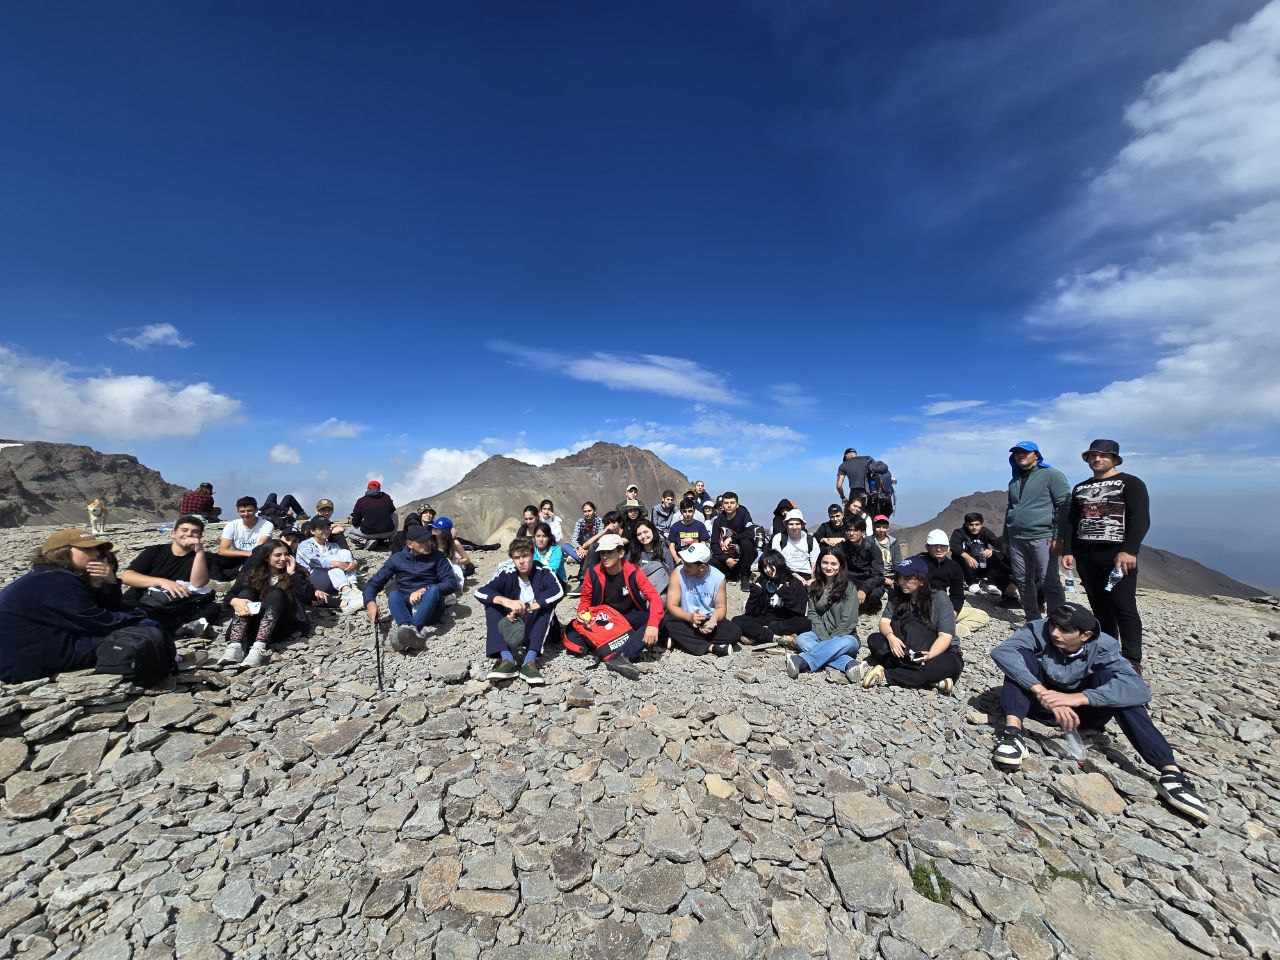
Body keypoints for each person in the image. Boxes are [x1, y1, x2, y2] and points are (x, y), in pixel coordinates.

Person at [989, 603, 1209, 823]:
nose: (1055, 632)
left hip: (1083, 713)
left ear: (1085, 635)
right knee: (1019, 663)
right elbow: (1002, 652)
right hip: (1039, 705)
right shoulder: (1038, 630)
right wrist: (1042, 692)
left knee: (1118, 687)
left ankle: (1170, 773)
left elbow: (1138, 689)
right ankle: (1013, 733)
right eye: (1053, 625)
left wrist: (1075, 698)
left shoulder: (1104, 645)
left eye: (1064, 630)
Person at [0, 530, 172, 684]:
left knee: (140, 629)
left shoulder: (48, 575)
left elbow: (106, 609)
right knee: (142, 634)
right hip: (25, 659)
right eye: (88, 550)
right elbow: (98, 621)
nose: (96, 554)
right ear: (63, 553)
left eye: (96, 550)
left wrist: (110, 582)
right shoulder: (55, 580)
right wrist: (141, 619)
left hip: (30, 648)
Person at [1058, 440, 1150, 673]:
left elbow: (1140, 518)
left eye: (1102, 456)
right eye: (1092, 456)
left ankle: (1132, 659)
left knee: (1123, 605)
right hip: (1087, 555)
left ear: (1114, 459)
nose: (1096, 459)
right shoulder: (1080, 488)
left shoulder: (1131, 483)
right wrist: (1068, 550)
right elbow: (1070, 522)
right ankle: (1108, 648)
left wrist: (1130, 550)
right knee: (1099, 605)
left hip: (1116, 555)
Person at [567, 532, 663, 680]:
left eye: (609, 552)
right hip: (603, 617)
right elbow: (585, 599)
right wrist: (582, 613)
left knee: (656, 619)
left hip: (627, 616)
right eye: (602, 553)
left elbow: (654, 597)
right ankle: (623, 648)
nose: (604, 556)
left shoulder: (633, 571)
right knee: (573, 631)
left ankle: (622, 655)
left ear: (620, 552)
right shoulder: (593, 573)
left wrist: (653, 625)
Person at [863, 557, 963, 694]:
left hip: (938, 652)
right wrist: (891, 638)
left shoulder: (939, 598)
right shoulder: (897, 595)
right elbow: (884, 622)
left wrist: (930, 655)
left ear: (921, 580)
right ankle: (935, 682)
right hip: (907, 650)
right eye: (900, 578)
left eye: (908, 578)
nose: (902, 582)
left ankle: (887, 675)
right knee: (875, 639)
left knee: (937, 667)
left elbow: (945, 636)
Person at [474, 537, 563, 685]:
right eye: (516, 558)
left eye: (525, 556)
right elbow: (481, 592)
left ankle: (530, 662)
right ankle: (507, 660)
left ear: (532, 554)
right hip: (514, 624)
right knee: (492, 605)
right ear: (512, 559)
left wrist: (534, 605)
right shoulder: (507, 572)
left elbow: (558, 592)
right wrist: (506, 602)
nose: (521, 561)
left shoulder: (543, 571)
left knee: (545, 607)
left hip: (539, 625)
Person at [217, 540, 316, 668]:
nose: (283, 558)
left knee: (276, 593)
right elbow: (229, 596)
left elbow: (307, 597)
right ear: (266, 557)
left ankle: (258, 649)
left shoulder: (296, 573)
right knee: (247, 592)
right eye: (278, 555)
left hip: (279, 625)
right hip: (250, 623)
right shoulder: (252, 573)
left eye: (286, 554)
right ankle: (235, 646)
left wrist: (292, 574)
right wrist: (235, 601)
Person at [362, 525, 461, 652]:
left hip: (432, 606)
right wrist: (370, 602)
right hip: (407, 605)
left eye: (428, 540)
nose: (427, 544)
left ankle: (410, 632)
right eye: (422, 542)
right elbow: (373, 584)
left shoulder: (438, 557)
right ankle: (408, 631)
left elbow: (451, 583)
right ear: (409, 544)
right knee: (393, 595)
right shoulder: (397, 559)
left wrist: (425, 589)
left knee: (434, 590)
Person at [120, 515, 218, 634]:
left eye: (195, 532)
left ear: (200, 536)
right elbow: (127, 576)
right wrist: (163, 582)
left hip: (176, 602)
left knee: (212, 608)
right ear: (173, 534)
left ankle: (165, 627)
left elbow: (198, 583)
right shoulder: (155, 551)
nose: (189, 534)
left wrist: (199, 552)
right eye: (184, 530)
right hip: (145, 597)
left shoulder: (203, 557)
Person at [1005, 441, 1069, 621]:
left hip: (1043, 537)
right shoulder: (1014, 481)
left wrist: (1059, 537)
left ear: (1036, 455)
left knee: (1049, 580)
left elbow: (1064, 506)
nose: (1020, 455)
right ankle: (1033, 619)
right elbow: (1011, 508)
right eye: (1017, 452)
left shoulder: (1052, 475)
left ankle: (1058, 622)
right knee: (1022, 580)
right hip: (1016, 538)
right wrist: (1005, 536)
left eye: (1025, 452)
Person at [784, 551, 860, 682]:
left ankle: (802, 661)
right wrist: (825, 639)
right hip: (820, 633)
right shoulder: (814, 586)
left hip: (845, 636)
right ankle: (849, 664)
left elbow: (848, 621)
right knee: (802, 639)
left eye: (833, 563)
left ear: (840, 565)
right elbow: (813, 614)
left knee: (846, 642)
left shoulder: (849, 587)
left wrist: (831, 640)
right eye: (825, 562)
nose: (829, 567)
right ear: (819, 564)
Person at [663, 542, 741, 655]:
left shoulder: (718, 577)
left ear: (702, 567)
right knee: (666, 622)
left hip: (707, 619)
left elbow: (721, 607)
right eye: (684, 562)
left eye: (688, 565)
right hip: (684, 617)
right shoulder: (678, 572)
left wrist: (713, 619)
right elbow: (672, 605)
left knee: (734, 632)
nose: (684, 566)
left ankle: (681, 640)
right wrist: (690, 617)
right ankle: (711, 648)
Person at [732, 549, 811, 650]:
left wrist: (783, 591)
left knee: (805, 623)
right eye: (764, 567)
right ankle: (776, 638)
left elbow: (799, 610)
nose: (768, 570)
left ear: (778, 563)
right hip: (766, 618)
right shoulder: (763, 580)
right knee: (737, 620)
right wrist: (755, 593)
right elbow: (751, 612)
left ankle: (757, 635)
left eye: (770, 566)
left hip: (785, 620)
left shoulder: (792, 581)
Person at [921, 529, 990, 638]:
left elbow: (957, 595)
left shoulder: (953, 567)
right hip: (922, 608)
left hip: (943, 608)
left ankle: (950, 629)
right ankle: (943, 630)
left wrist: (953, 612)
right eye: (934, 546)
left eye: (942, 546)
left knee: (982, 616)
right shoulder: (918, 563)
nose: (939, 549)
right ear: (927, 547)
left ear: (948, 548)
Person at [295, 519, 363, 613]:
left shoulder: (333, 545)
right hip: (313, 579)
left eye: (327, 528)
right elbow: (315, 561)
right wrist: (337, 564)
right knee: (333, 563)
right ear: (312, 531)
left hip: (333, 579)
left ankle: (352, 587)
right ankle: (347, 591)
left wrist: (353, 563)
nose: (326, 530)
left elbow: (344, 560)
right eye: (321, 528)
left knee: (345, 552)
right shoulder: (305, 545)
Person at [950, 512, 1015, 602]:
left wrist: (992, 551)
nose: (974, 527)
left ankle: (990, 582)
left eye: (977, 524)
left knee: (996, 556)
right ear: (966, 524)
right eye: (971, 525)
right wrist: (967, 556)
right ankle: (971, 582)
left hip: (981, 562)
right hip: (966, 565)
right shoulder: (959, 532)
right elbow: (954, 546)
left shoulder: (984, 531)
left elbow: (997, 543)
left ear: (981, 524)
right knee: (960, 556)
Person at [209, 497, 274, 579]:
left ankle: (237, 573)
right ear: (237, 511)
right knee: (211, 557)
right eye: (242, 511)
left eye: (249, 511)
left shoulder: (266, 525)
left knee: (258, 559)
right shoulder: (232, 525)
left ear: (256, 510)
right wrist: (246, 553)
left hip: (257, 556)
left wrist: (251, 555)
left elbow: (259, 546)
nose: (246, 514)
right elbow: (222, 550)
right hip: (240, 556)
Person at [711, 491, 757, 589]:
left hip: (743, 555)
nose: (729, 505)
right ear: (722, 505)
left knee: (747, 542)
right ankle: (733, 573)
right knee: (711, 563)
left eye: (732, 503)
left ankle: (745, 575)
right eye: (726, 503)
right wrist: (726, 559)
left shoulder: (743, 514)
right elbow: (714, 544)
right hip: (727, 556)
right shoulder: (718, 521)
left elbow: (751, 533)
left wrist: (732, 538)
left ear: (737, 505)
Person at [839, 523, 885, 611]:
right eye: (849, 530)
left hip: (868, 581)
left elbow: (878, 574)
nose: (851, 533)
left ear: (863, 532)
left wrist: (864, 589)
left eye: (855, 530)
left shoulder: (872, 548)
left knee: (874, 596)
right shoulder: (842, 547)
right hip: (850, 582)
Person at [770, 508, 820, 581]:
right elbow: (777, 561)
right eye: (791, 524)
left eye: (797, 524)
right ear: (786, 525)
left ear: (802, 525)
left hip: (805, 573)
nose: (794, 527)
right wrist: (793, 574)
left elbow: (814, 564)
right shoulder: (779, 538)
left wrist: (812, 580)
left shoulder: (811, 540)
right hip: (786, 572)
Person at [629, 518, 674, 595]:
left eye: (645, 532)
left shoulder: (664, 551)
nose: (643, 536)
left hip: (662, 592)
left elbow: (672, 575)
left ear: (652, 531)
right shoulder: (633, 553)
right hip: (641, 593)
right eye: (639, 534)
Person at [349, 480, 397, 548]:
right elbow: (392, 511)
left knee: (349, 531)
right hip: (388, 532)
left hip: (369, 534)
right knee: (395, 515)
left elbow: (355, 522)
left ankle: (366, 542)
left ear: (368, 489)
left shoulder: (361, 501)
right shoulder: (386, 497)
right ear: (379, 489)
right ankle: (392, 540)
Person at [667, 497, 710, 565]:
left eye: (690, 511)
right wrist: (677, 559)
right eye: (684, 511)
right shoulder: (675, 527)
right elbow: (672, 546)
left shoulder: (700, 526)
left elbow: (703, 544)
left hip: (696, 560)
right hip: (681, 560)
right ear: (681, 512)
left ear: (694, 511)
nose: (687, 514)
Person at [532, 522, 569, 586]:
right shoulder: (532, 550)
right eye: (538, 536)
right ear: (534, 537)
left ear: (549, 538)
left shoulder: (556, 550)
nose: (541, 539)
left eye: (544, 536)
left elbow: (553, 569)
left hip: (557, 580)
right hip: (538, 580)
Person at [871, 516, 901, 590]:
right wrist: (883, 579)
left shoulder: (894, 542)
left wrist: (897, 578)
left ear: (888, 528)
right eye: (878, 527)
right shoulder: (869, 542)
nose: (881, 530)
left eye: (884, 527)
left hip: (892, 575)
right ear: (873, 527)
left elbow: (898, 562)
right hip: (876, 576)